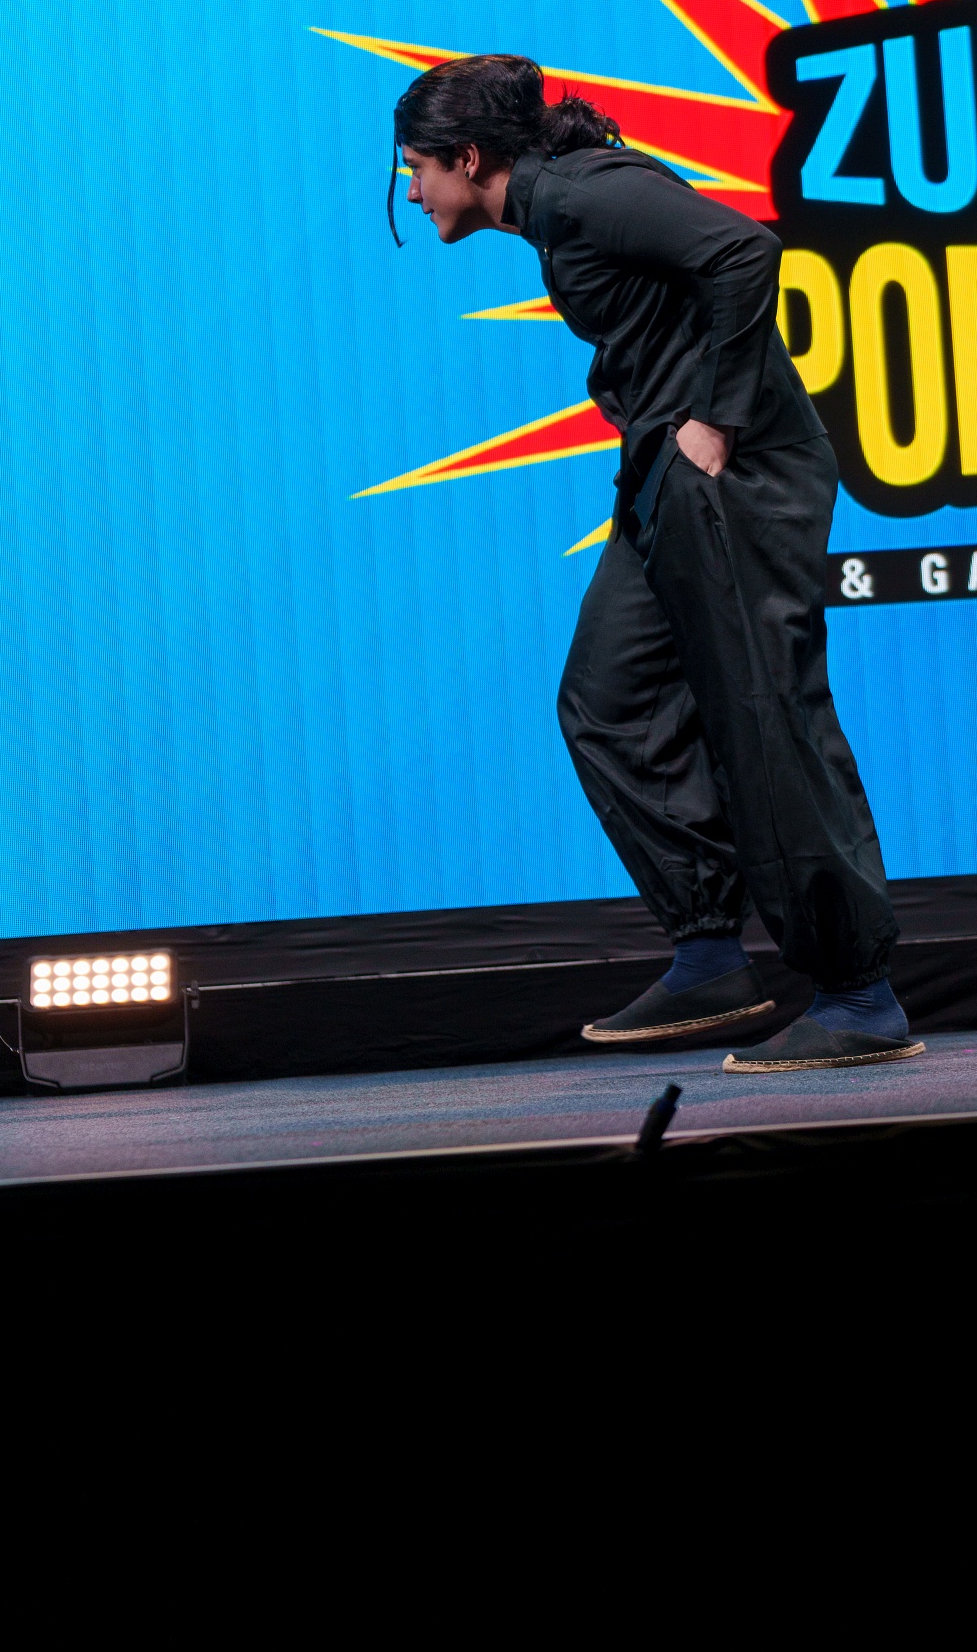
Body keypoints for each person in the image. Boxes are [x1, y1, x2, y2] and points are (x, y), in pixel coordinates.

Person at [390, 53, 920, 1071]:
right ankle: (710, 951)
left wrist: (716, 418)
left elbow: (744, 251)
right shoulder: (553, 211)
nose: (413, 192)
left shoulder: (584, 193)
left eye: (417, 167)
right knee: (610, 700)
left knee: (762, 714)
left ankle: (858, 993)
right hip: (660, 481)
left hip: (734, 474)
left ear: (469, 157)